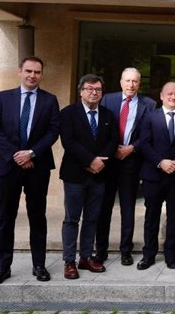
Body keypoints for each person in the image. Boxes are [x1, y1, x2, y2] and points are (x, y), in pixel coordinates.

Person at [0, 56, 60, 287]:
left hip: (37, 167)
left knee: (37, 216)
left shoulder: (49, 100)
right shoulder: (2, 98)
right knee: (5, 217)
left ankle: (39, 265)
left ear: (41, 74)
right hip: (7, 166)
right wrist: (16, 155)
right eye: (28, 71)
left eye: (37, 72)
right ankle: (2, 267)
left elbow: (52, 132)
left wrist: (31, 154)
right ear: (19, 71)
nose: (32, 75)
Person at [59, 74, 118, 279]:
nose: (94, 92)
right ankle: (69, 261)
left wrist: (100, 162)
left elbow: (113, 141)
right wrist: (90, 160)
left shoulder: (109, 115)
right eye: (89, 88)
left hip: (100, 175)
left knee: (92, 219)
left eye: (98, 89)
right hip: (75, 175)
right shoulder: (68, 113)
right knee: (72, 219)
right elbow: (68, 141)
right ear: (81, 91)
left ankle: (85, 257)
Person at [95, 67, 156, 266]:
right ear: (121, 82)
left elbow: (149, 134)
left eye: (135, 81)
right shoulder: (106, 100)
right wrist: (111, 149)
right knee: (104, 207)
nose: (131, 85)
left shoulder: (149, 104)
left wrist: (131, 148)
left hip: (131, 162)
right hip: (107, 161)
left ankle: (125, 251)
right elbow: (98, 129)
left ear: (140, 84)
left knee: (128, 207)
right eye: (127, 81)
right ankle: (101, 250)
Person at [136, 82, 175, 270]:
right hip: (153, 174)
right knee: (151, 215)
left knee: (174, 217)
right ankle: (149, 255)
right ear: (161, 96)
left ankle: (171, 255)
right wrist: (160, 162)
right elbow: (144, 143)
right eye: (169, 93)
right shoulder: (149, 117)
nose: (173, 97)